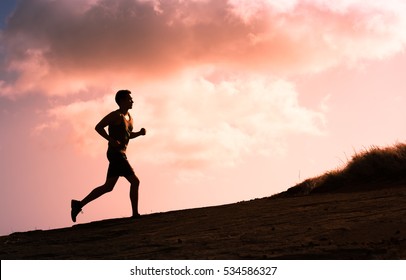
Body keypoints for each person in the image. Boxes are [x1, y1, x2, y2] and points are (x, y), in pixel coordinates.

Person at [71, 89, 146, 222]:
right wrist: (110, 140)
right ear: (121, 101)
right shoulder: (115, 115)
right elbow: (98, 127)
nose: (132, 101)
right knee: (135, 181)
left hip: (120, 154)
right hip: (116, 154)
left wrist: (139, 133)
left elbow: (128, 135)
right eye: (129, 99)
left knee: (108, 187)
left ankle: (78, 204)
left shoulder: (130, 118)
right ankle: (135, 214)